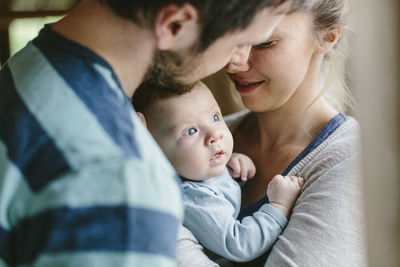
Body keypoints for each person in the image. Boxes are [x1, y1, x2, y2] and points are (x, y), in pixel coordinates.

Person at [0, 0, 308, 266]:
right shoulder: (126, 181)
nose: (236, 60)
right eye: (239, 40)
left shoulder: (30, 64)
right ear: (175, 25)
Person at [178, 0, 367, 266]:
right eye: (231, 36)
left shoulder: (350, 162)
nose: (234, 63)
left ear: (327, 36)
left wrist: (160, 225)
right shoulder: (199, 138)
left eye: (264, 41)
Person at [132, 81, 304, 263]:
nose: (215, 134)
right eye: (191, 131)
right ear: (152, 147)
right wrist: (279, 206)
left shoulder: (195, 174)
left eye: (215, 117)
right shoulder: (195, 199)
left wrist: (230, 168)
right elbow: (239, 244)